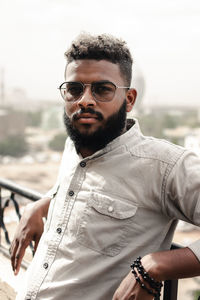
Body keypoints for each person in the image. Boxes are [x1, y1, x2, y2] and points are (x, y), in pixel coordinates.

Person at [10, 33, 200, 300]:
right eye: (75, 89)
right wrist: (39, 205)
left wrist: (155, 266)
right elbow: (81, 191)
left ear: (130, 99)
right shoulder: (74, 146)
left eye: (102, 89)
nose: (85, 100)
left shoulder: (164, 166)